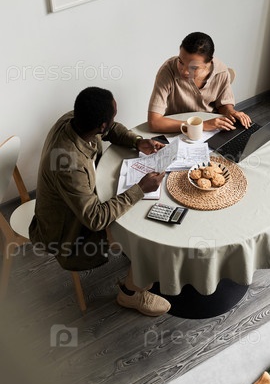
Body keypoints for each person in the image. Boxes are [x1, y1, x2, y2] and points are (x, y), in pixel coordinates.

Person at [29, 86, 170, 316]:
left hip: (79, 202)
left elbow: (111, 129)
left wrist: (137, 142)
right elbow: (95, 219)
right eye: (113, 116)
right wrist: (140, 189)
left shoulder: (74, 119)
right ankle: (130, 293)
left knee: (134, 210)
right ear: (100, 125)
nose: (113, 121)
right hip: (68, 233)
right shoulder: (69, 165)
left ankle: (137, 266)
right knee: (147, 234)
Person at [147, 32, 252, 133]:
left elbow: (223, 104)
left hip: (211, 128)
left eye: (193, 68)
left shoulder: (221, 71)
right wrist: (200, 126)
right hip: (177, 128)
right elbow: (154, 122)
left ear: (208, 63)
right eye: (181, 62)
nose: (184, 71)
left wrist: (230, 112)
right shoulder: (168, 70)